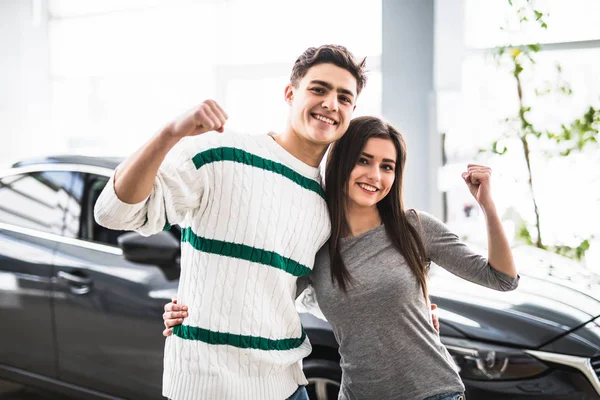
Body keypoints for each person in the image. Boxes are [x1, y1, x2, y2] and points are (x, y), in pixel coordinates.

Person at [163, 116, 519, 400]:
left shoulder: (415, 227)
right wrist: (190, 310)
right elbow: (260, 299)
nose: (375, 176)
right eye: (364, 161)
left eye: (387, 166)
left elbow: (502, 278)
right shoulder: (315, 241)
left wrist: (487, 205)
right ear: (342, 163)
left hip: (431, 392)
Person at [94, 45, 367, 400]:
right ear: (290, 93)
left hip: (287, 387)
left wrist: (410, 308)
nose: (331, 103)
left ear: (352, 111)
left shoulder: (329, 203)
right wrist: (169, 134)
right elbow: (114, 212)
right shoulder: (221, 152)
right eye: (319, 89)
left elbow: (324, 296)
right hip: (207, 387)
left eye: (344, 97)